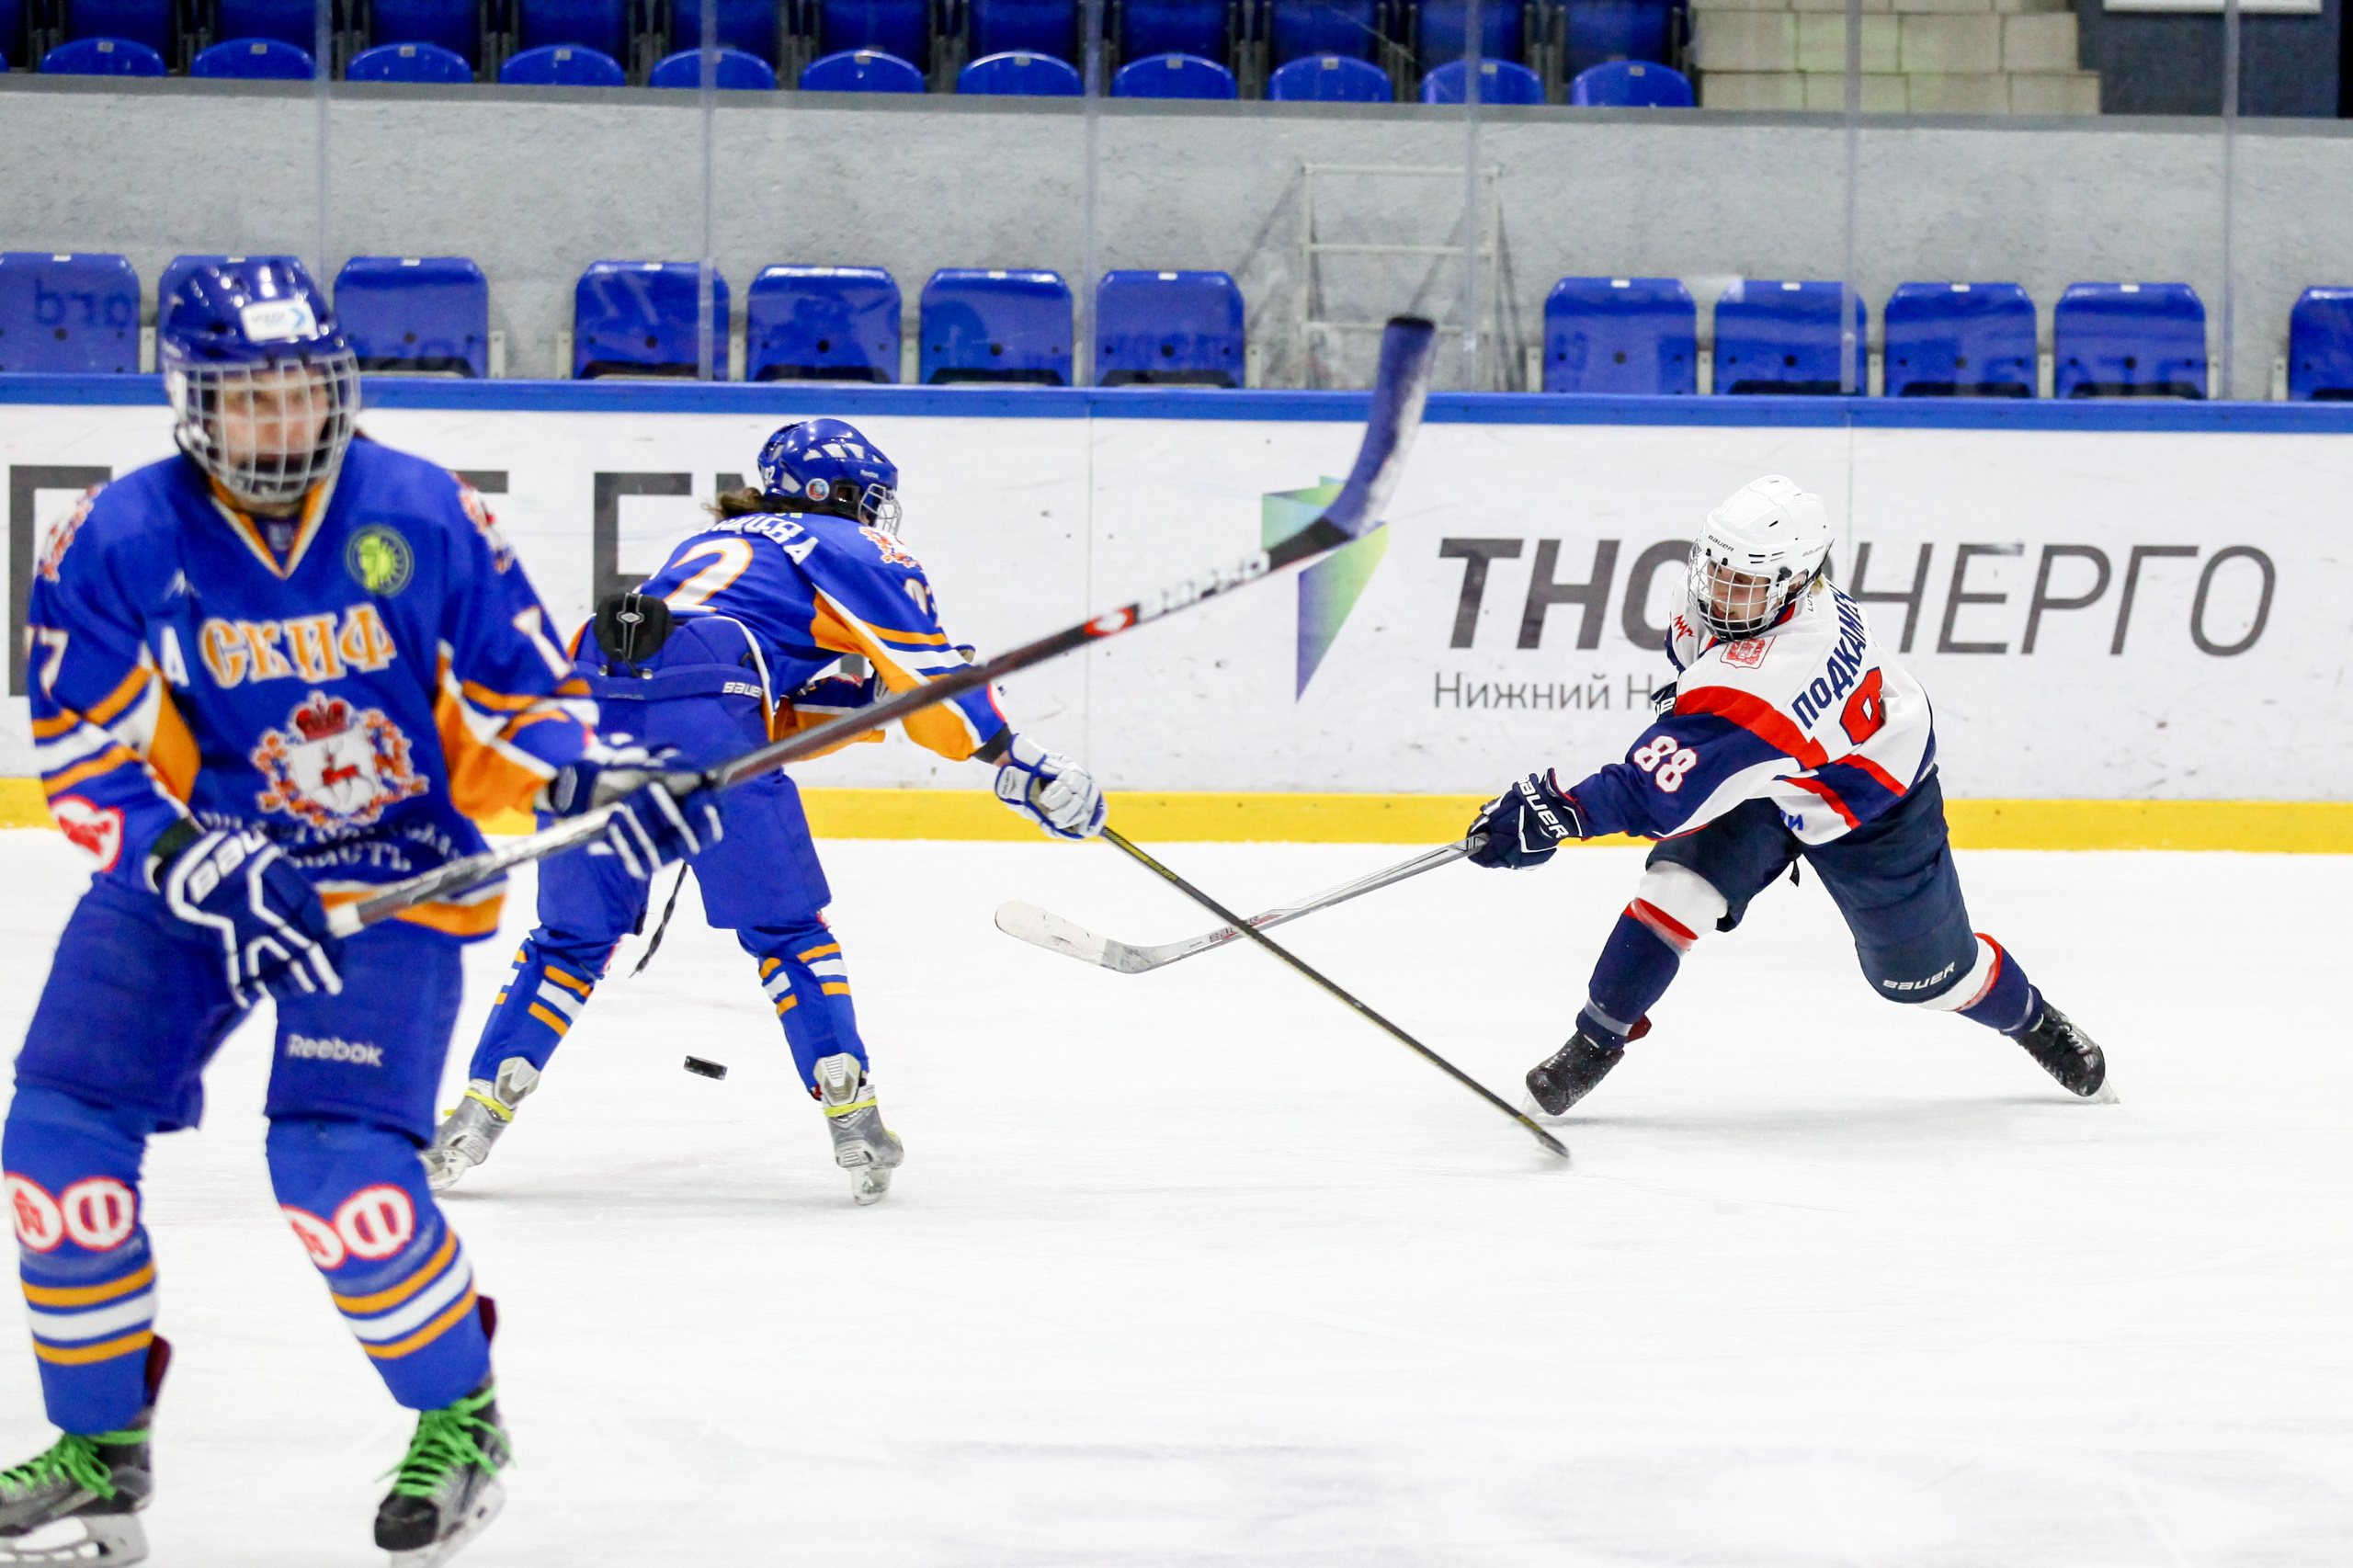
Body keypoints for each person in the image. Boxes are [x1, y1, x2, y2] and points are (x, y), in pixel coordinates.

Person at [0, 260, 712, 1567]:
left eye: (299, 390)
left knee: (335, 1169)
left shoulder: (422, 509)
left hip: (386, 876)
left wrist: (583, 769)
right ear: (191, 403)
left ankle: (462, 1418)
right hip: (189, 877)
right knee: (52, 1139)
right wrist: (180, 855)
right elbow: (80, 752)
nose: (280, 422)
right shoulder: (112, 535)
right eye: (247, 397)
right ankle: (101, 1451)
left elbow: (516, 687)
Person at [422, 417, 1105, 1205]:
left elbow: (741, 699)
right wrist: (1017, 760)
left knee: (570, 942)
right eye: (870, 500)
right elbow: (928, 674)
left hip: (592, 691)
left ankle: (475, 1117)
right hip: (710, 699)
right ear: (837, 494)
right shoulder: (846, 545)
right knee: (787, 934)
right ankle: (852, 1114)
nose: (879, 518)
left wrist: (861, 701)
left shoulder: (713, 548)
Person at [1467, 475, 2109, 1115]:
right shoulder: (1747, 606)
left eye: (1743, 584)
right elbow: (1707, 696)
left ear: (1795, 583)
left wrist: (1552, 811)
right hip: (1772, 772)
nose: (1720, 592)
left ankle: (2031, 1018)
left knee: (1928, 980)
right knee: (1674, 888)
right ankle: (1596, 1040)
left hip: (1871, 806)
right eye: (1716, 570)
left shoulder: (1779, 674)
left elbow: (1649, 795)